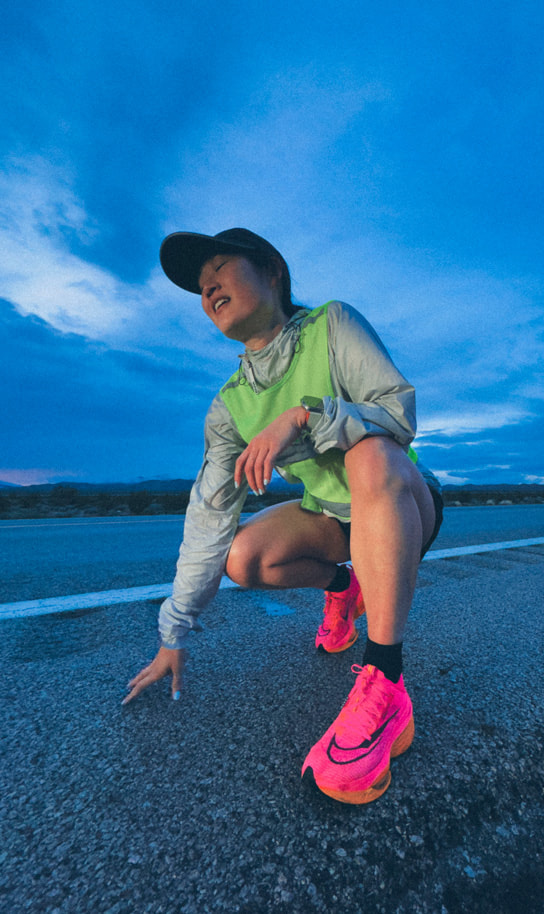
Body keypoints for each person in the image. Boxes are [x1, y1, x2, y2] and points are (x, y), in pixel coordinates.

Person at [123, 227, 443, 804]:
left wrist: (302, 415)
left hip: (402, 501)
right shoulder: (229, 406)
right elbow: (208, 516)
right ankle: (343, 588)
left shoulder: (332, 325)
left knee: (370, 452)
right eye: (200, 286)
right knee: (240, 558)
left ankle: (386, 681)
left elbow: (398, 414)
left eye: (220, 267)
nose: (208, 287)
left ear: (270, 270)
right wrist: (173, 634)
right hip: (331, 519)